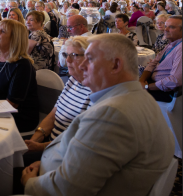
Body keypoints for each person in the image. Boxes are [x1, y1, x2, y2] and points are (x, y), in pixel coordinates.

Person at [21, 34, 175, 196]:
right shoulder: (140, 98)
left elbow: (66, 189)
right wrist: (48, 163)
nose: (82, 66)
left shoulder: (111, 114)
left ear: (115, 65)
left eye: (90, 59)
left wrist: (29, 183)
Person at [24, 37, 92, 162]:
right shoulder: (73, 81)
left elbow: (79, 139)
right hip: (50, 141)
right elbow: (53, 115)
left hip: (66, 152)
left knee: (14, 162)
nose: (68, 60)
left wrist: (41, 147)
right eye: (66, 54)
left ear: (89, 59)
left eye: (74, 55)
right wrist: (33, 141)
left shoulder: (94, 90)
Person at [0, 20, 39, 132]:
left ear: (15, 39)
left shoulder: (22, 65)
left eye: (2, 31)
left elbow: (12, 104)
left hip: (16, 117)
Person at [139, 15, 182, 102]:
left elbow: (175, 80)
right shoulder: (171, 44)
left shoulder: (180, 48)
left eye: (172, 27)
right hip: (154, 83)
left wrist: (147, 87)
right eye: (166, 26)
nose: (165, 30)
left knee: (127, 92)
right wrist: (142, 81)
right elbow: (153, 63)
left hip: (167, 93)